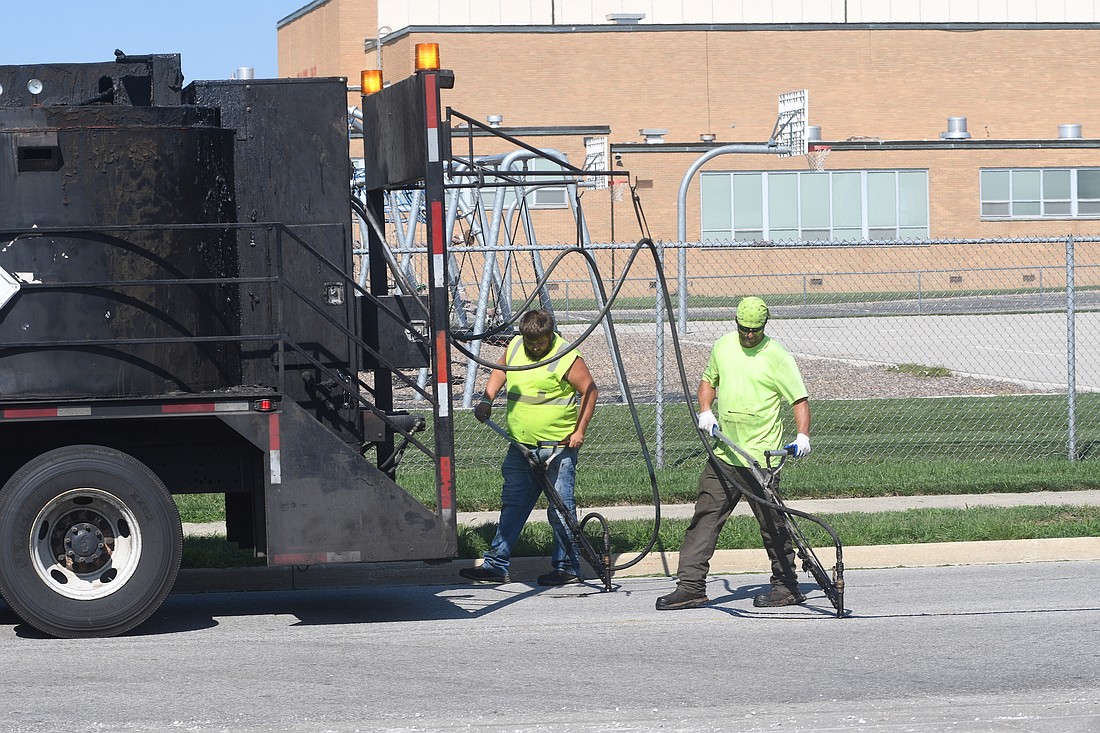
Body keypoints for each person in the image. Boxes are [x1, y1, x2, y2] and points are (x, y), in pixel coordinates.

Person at [656, 296, 812, 611]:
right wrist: (705, 410)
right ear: (735, 322)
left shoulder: (778, 357)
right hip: (724, 454)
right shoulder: (723, 347)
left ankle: (786, 585)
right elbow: (707, 382)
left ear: (764, 326)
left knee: (773, 524)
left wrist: (803, 435)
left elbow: (799, 400)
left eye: (755, 330)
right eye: (744, 329)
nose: (749, 335)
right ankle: (691, 587)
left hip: (761, 460)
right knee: (705, 518)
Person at [460, 308, 598, 586]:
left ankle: (567, 567)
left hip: (557, 449)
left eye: (540, 342)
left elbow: (590, 391)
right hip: (520, 447)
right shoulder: (515, 347)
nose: (535, 347)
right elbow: (500, 371)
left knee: (560, 510)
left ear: (551, 335)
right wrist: (487, 399)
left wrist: (579, 431)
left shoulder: (566, 356)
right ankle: (496, 565)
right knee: (513, 505)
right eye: (530, 342)